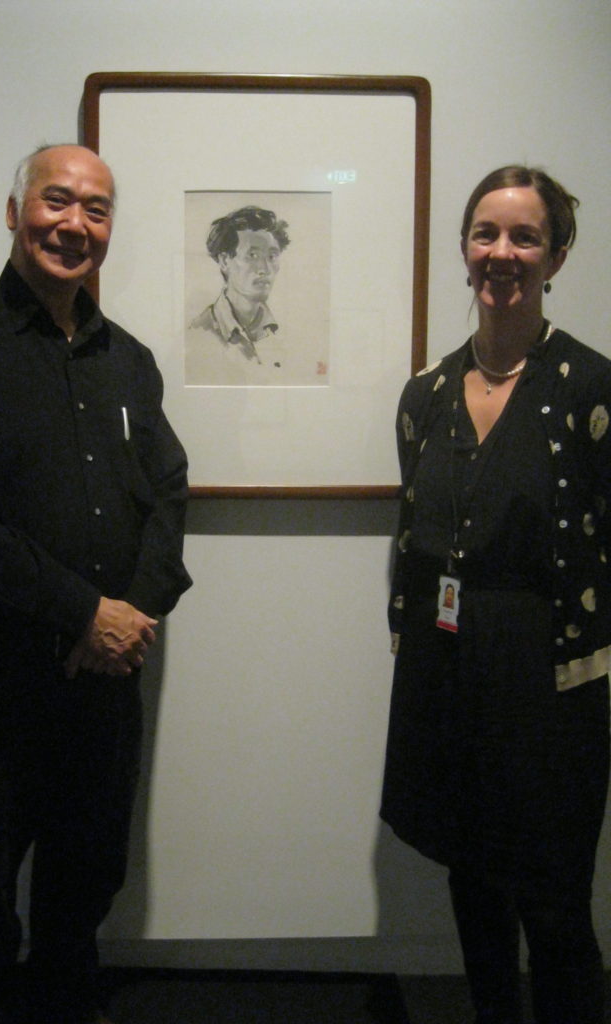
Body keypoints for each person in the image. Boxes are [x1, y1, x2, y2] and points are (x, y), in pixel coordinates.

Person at [0, 144, 192, 1024]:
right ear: (16, 209)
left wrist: (132, 612)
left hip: (101, 692)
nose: (75, 225)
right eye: (56, 201)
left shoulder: (129, 360)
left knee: (81, 899)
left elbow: (169, 490)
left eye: (96, 210)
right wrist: (84, 614)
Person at [381, 166, 610, 1023]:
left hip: (551, 686)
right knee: (472, 886)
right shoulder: (425, 397)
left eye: (524, 237)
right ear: (464, 248)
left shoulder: (593, 389)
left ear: (557, 256)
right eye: (486, 234)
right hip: (447, 674)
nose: (501, 253)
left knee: (553, 906)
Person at [185, 205, 292, 384]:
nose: (265, 269)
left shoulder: (286, 335)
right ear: (225, 261)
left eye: (272, 257)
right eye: (253, 255)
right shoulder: (199, 333)